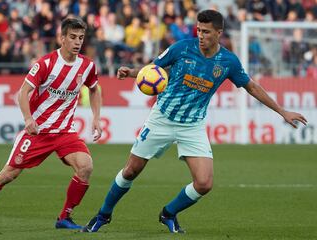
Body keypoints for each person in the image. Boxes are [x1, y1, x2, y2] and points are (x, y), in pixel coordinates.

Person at [82, 10, 307, 234]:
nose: (200, 34)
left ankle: (168, 213)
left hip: (192, 125)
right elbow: (153, 70)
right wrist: (132, 72)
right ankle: (103, 214)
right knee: (131, 170)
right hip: (162, 118)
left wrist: (281, 111)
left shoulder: (228, 61)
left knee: (204, 183)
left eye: (206, 31)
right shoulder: (182, 48)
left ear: (219, 33)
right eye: (198, 30)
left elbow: (251, 87)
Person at [0, 17, 102, 230]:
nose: (77, 42)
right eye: (72, 37)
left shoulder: (87, 66)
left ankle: (64, 218)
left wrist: (96, 117)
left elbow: (94, 89)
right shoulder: (45, 64)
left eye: (80, 38)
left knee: (86, 167)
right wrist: (28, 119)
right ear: (61, 38)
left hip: (65, 131)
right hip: (39, 132)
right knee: (8, 174)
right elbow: (23, 93)